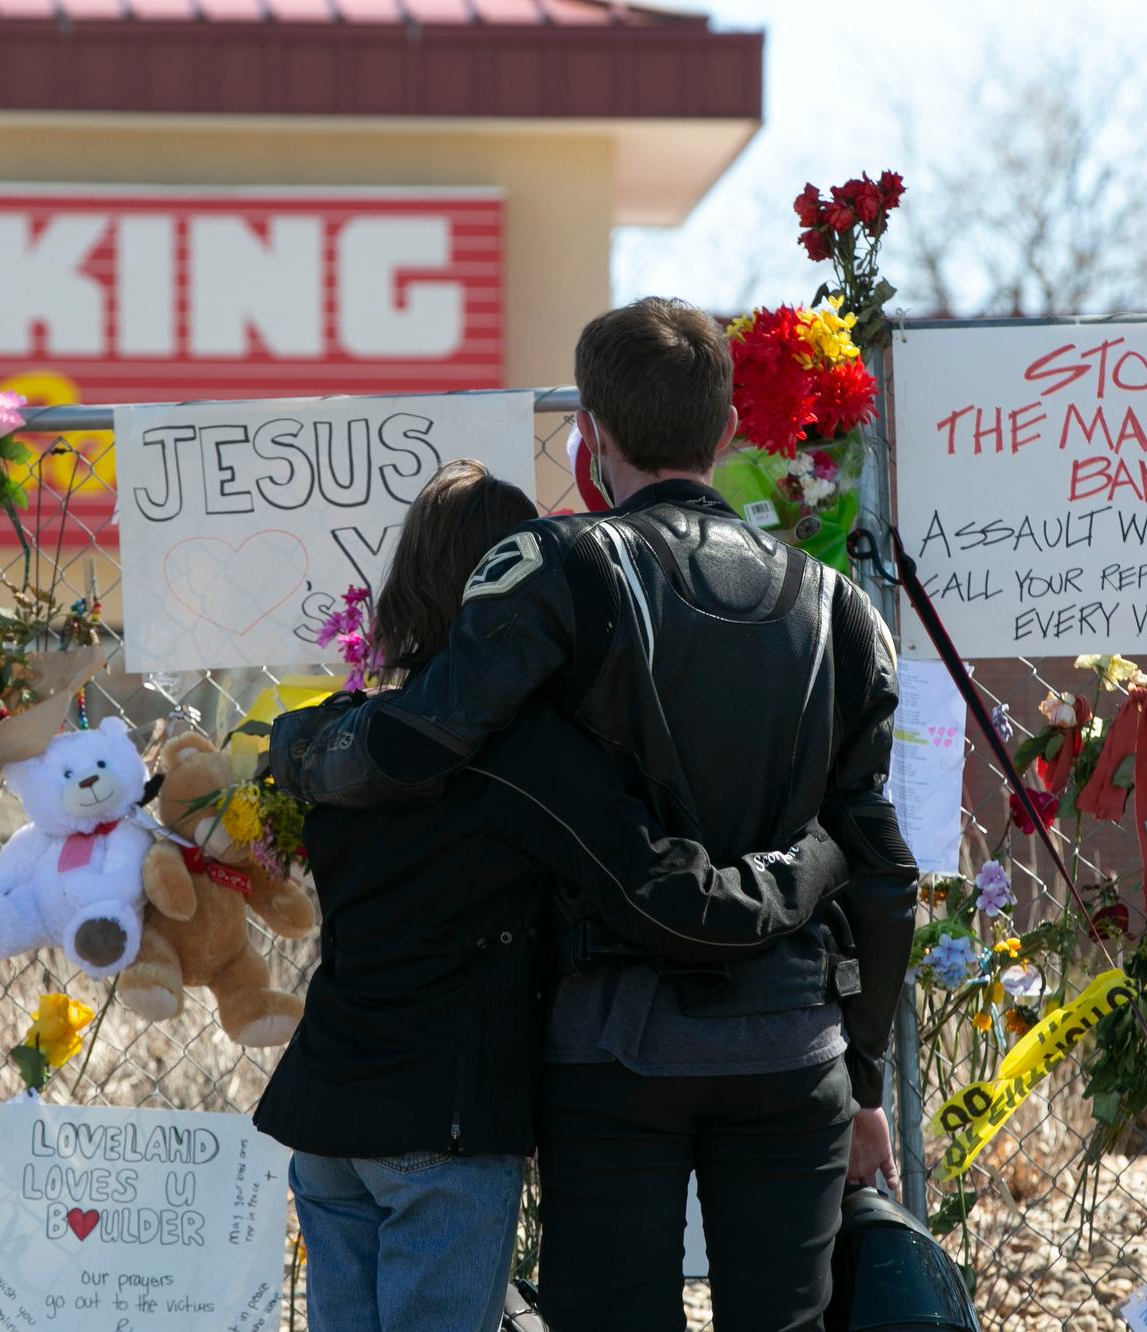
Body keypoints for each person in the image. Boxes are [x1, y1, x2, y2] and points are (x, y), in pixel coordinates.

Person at [271, 298, 919, 1332]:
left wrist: (305, 749)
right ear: (726, 433)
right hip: (791, 1043)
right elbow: (877, 865)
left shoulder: (559, 570)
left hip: (611, 1045)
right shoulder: (835, 608)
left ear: (592, 436)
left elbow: (432, 736)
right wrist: (866, 1079)